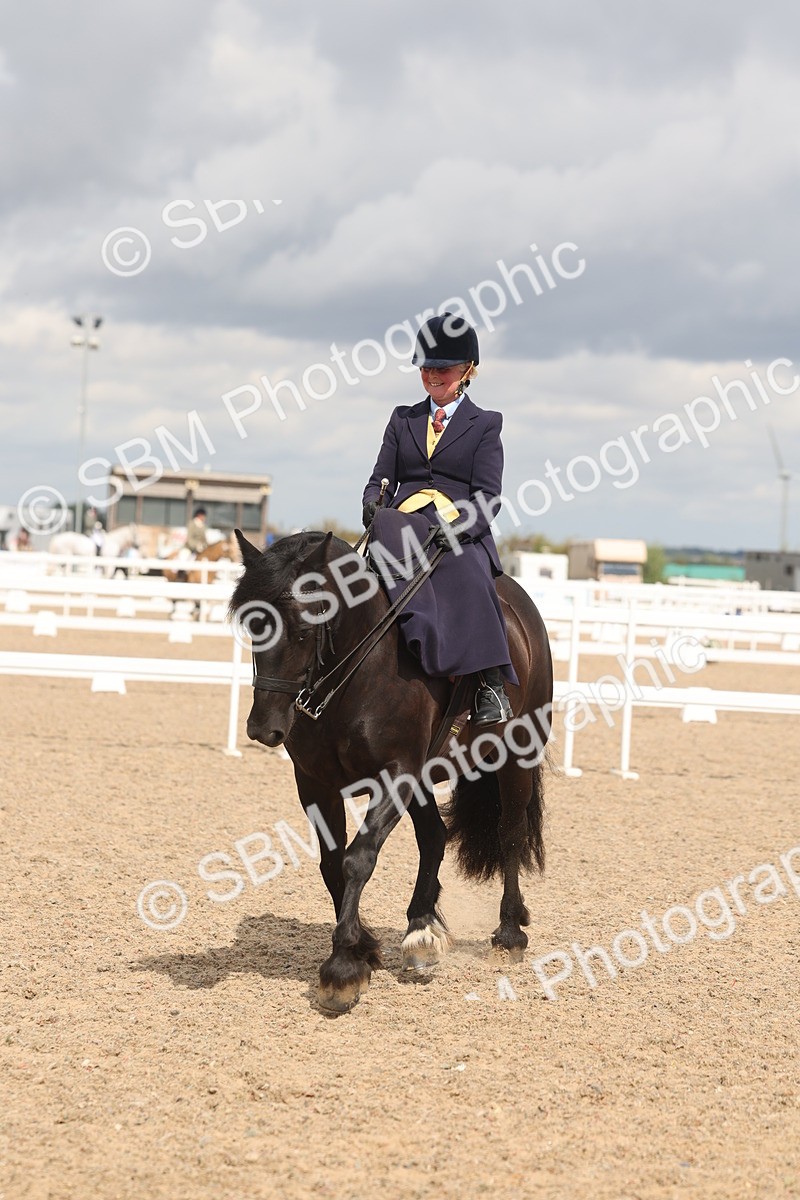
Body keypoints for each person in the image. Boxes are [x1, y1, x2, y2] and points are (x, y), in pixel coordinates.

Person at [362, 313, 515, 725]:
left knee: (470, 573)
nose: (432, 375)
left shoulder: (486, 424)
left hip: (457, 527)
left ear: (467, 370)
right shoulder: (403, 418)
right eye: (426, 367)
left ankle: (490, 686)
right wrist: (372, 502)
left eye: (442, 369)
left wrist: (461, 529)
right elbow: (380, 478)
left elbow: (489, 496)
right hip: (402, 524)